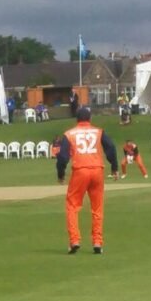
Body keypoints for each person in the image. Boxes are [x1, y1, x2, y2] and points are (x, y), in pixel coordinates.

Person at [56, 107, 119, 255]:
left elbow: (63, 157)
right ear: (90, 118)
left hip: (80, 171)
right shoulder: (98, 132)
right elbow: (111, 147)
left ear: (76, 119)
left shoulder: (69, 134)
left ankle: (74, 240)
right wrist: (114, 167)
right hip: (97, 170)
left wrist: (61, 173)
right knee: (97, 208)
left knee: (72, 206)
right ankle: (97, 242)